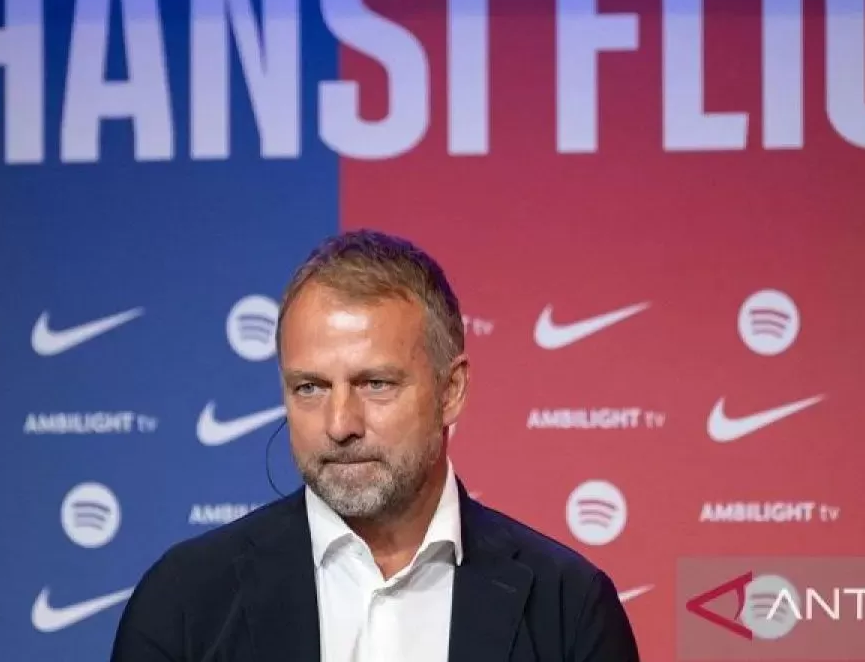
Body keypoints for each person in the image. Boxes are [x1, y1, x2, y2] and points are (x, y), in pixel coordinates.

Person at [110, 229, 641, 662]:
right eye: (310, 387)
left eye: (375, 384)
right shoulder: (184, 601)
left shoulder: (568, 608)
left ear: (450, 391)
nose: (340, 423)